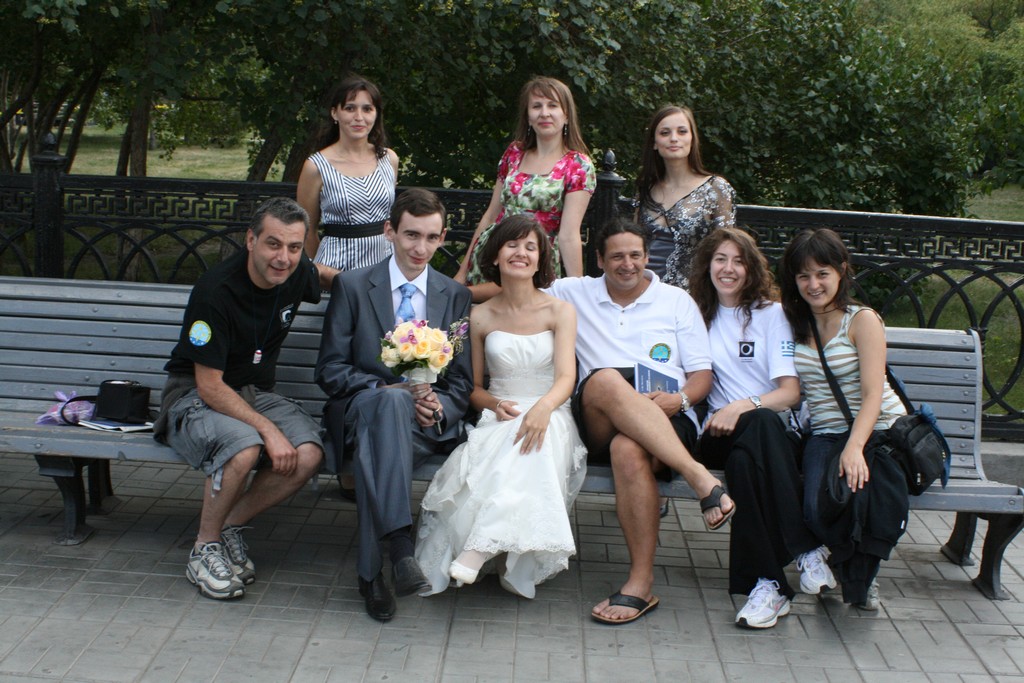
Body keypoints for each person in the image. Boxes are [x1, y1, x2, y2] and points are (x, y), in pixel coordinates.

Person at [547, 217, 735, 625]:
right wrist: (452, 291)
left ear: (647, 257)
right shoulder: (572, 292)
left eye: (635, 255)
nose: (628, 264)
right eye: (617, 256)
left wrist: (679, 399)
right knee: (605, 380)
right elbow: (514, 289)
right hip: (598, 413)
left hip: (667, 411)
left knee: (628, 448)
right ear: (599, 260)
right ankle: (699, 477)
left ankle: (640, 583)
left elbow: (701, 376)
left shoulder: (676, 301)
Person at [154, 197, 334, 600]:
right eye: (273, 244)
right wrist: (268, 429)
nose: (283, 258)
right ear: (251, 240)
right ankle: (203, 548)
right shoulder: (215, 291)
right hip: (194, 395)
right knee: (244, 448)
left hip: (253, 393)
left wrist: (376, 288)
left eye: (294, 247)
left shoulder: (293, 272)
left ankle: (226, 527)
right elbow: (209, 386)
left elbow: (322, 275)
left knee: (308, 454)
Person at [315, 188, 473, 622]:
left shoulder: (454, 295)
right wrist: (387, 390)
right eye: (411, 235)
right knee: (385, 409)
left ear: (442, 238)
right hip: (362, 411)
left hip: (423, 426)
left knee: (378, 449)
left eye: (432, 237)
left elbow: (461, 382)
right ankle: (401, 546)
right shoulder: (353, 286)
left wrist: (438, 406)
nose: (421, 248)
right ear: (389, 231)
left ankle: (374, 573)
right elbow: (329, 369)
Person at [415, 215, 586, 598]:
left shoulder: (560, 311)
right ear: (495, 255)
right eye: (512, 244)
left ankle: (479, 549)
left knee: (534, 442)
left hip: (551, 409)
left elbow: (566, 378)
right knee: (511, 443)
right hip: (500, 411)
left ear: (540, 260)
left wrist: (542, 409)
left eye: (530, 247)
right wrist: (495, 403)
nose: (521, 253)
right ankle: (498, 556)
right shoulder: (479, 316)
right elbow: (473, 388)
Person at [689, 228, 835, 629]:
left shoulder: (772, 316)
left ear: (751, 268)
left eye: (738, 261)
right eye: (720, 259)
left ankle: (767, 586)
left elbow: (789, 393)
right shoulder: (695, 315)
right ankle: (804, 547)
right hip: (716, 434)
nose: (728, 269)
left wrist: (742, 406)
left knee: (747, 460)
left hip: (769, 433)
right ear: (707, 265)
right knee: (754, 433)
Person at [779, 228, 908, 611]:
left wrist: (855, 447)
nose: (813, 284)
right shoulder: (793, 322)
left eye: (822, 273)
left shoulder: (862, 320)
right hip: (825, 432)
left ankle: (860, 576)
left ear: (841, 271)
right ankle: (842, 560)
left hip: (879, 429)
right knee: (815, 506)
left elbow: (873, 394)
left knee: (863, 493)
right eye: (803, 276)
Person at [455, 76, 596, 302]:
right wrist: (462, 273)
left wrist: (575, 293)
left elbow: (569, 234)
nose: (544, 113)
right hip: (492, 255)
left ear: (567, 115)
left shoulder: (578, 165)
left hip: (533, 261)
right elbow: (490, 215)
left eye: (553, 105)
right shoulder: (514, 153)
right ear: (528, 116)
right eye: (536, 106)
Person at [297, 75, 400, 280]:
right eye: (350, 108)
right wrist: (321, 272)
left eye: (367, 109)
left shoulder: (389, 159)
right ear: (335, 112)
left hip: (383, 268)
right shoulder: (316, 166)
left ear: (376, 114)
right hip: (336, 271)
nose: (359, 117)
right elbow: (306, 230)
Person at [635, 105, 736, 290]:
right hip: (643, 292)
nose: (674, 138)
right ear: (654, 143)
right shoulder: (645, 189)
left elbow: (726, 250)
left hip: (693, 295)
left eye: (682, 131)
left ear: (692, 139)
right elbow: (633, 245)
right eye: (665, 133)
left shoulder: (715, 188)